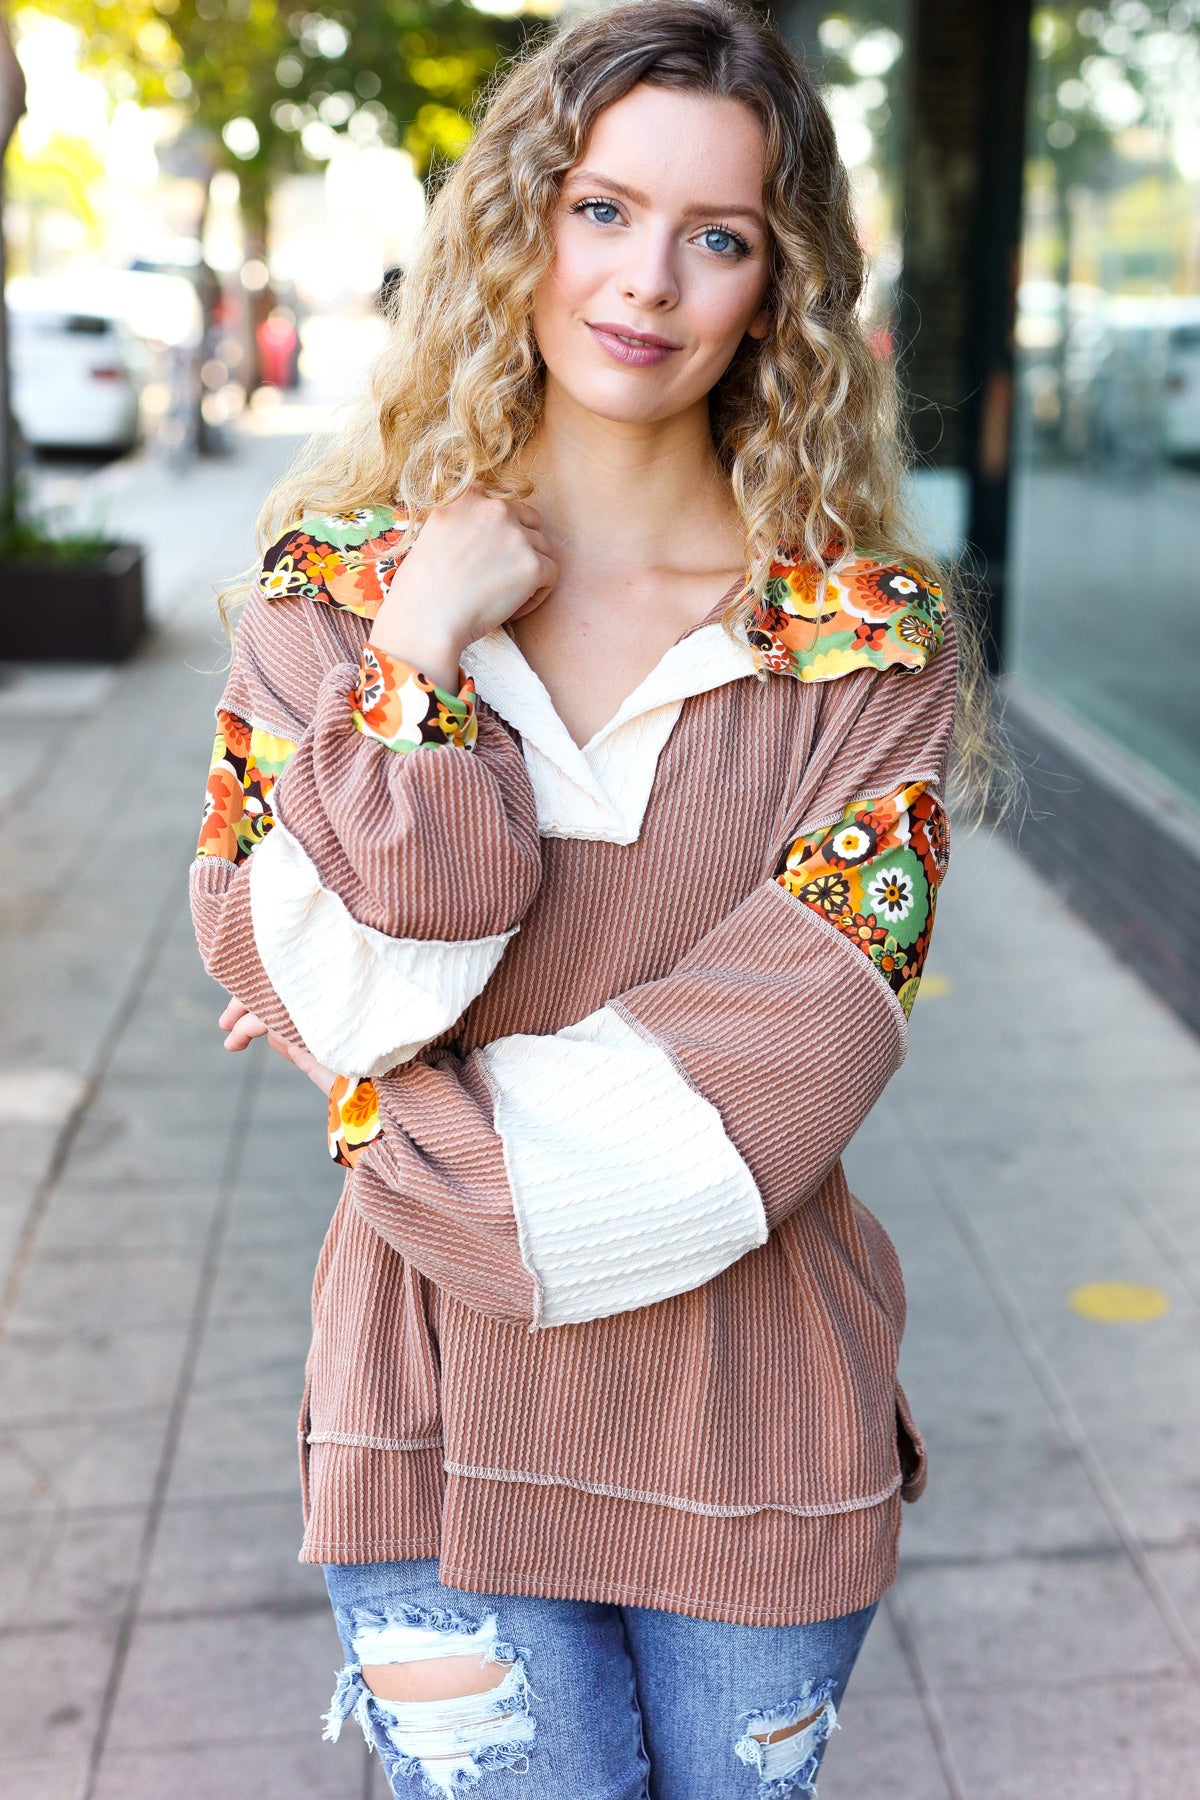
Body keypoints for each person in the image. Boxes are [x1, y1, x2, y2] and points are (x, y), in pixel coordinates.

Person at [191, 2, 988, 1793]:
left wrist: (382, 1094)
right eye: (604, 211)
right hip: (429, 1413)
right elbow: (279, 944)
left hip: (757, 1417)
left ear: (779, 287)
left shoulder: (861, 651)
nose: (650, 282)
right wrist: (417, 653)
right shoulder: (336, 595)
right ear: (523, 225)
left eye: (720, 237)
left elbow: (785, 1076)